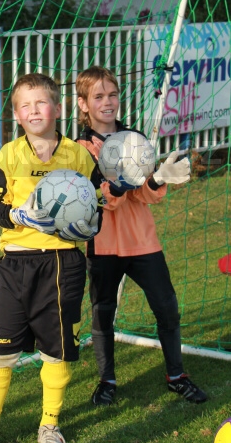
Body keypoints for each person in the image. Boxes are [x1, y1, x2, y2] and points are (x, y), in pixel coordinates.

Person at [0, 73, 102, 443]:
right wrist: (19, 215)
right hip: (16, 265)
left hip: (62, 263)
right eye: (26, 106)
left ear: (57, 109)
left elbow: (98, 210)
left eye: (41, 103)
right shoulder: (8, 155)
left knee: (55, 349)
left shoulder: (78, 155)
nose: (34, 110)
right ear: (17, 116)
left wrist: (86, 223)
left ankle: (50, 425)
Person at [75, 65, 207, 407]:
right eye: (98, 96)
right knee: (102, 311)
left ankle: (177, 375)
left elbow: (142, 196)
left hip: (142, 240)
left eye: (113, 94)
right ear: (83, 104)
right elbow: (101, 199)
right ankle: (107, 381)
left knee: (167, 307)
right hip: (102, 244)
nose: (108, 102)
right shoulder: (78, 149)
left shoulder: (133, 139)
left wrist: (160, 177)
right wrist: (119, 183)